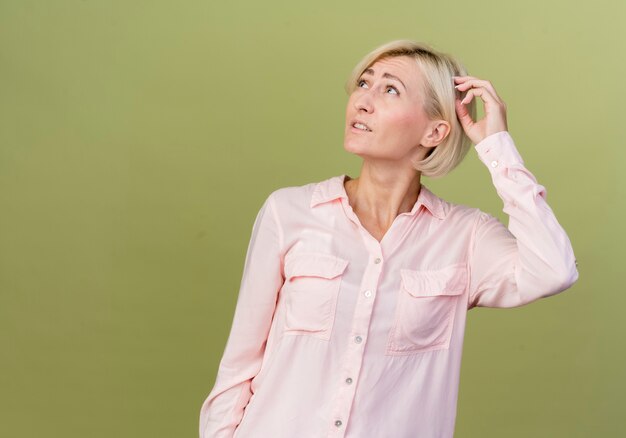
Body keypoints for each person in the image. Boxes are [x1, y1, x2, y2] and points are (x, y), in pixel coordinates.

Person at [198, 39, 579, 438]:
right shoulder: (289, 212)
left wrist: (497, 149)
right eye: (364, 83)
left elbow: (554, 270)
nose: (362, 101)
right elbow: (237, 372)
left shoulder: (465, 237)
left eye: (390, 89)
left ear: (434, 131)